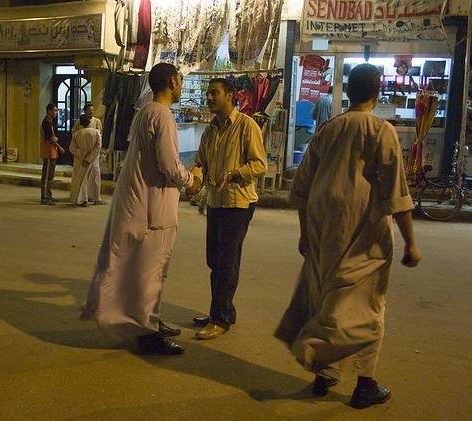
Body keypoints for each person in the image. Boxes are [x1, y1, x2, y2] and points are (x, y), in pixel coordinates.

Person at [274, 64, 422, 409]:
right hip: (365, 234)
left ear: (348, 92)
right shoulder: (381, 131)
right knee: (367, 308)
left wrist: (304, 233)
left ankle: (325, 371)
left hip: (324, 230)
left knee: (326, 298)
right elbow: (396, 195)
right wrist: (411, 243)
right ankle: (364, 382)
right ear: (378, 91)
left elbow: (303, 185)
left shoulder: (329, 129)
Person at [82, 63, 198, 355]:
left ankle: (152, 322)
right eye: (180, 81)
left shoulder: (145, 111)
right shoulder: (162, 115)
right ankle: (148, 333)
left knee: (147, 271)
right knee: (151, 272)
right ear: (172, 82)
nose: (181, 86)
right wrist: (191, 179)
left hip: (139, 203)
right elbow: (169, 164)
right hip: (152, 209)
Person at [190, 78, 268, 340]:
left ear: (231, 95)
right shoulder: (210, 130)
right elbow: (200, 162)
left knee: (226, 263)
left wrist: (236, 174)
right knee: (214, 260)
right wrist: (196, 177)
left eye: (215, 93)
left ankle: (219, 319)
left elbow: (260, 165)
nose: (209, 97)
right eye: (208, 93)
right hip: (215, 201)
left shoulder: (247, 126)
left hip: (238, 202)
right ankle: (223, 310)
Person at [69, 114, 106, 206]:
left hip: (81, 160)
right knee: (95, 180)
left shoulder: (77, 134)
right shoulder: (96, 133)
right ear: (89, 122)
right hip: (93, 160)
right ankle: (96, 198)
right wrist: (90, 157)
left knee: (82, 180)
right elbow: (98, 147)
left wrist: (82, 155)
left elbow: (72, 148)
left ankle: (83, 199)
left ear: (80, 123)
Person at [40, 103, 64, 205]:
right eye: (55, 110)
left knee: (50, 175)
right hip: (48, 151)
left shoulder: (50, 121)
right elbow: (50, 138)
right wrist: (60, 147)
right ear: (49, 111)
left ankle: (49, 195)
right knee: (46, 175)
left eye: (57, 110)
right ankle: (44, 197)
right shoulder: (46, 121)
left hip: (52, 151)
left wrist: (56, 139)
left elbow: (53, 137)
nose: (56, 112)